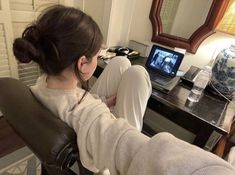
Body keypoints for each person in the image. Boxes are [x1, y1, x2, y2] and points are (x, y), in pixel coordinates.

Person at [13, 5, 235, 175]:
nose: (99, 58)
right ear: (82, 63)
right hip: (103, 157)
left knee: (121, 63)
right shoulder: (90, 115)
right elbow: (139, 151)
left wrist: (102, 101)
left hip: (85, 116)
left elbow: (70, 104)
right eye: (97, 56)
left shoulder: (40, 85)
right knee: (138, 74)